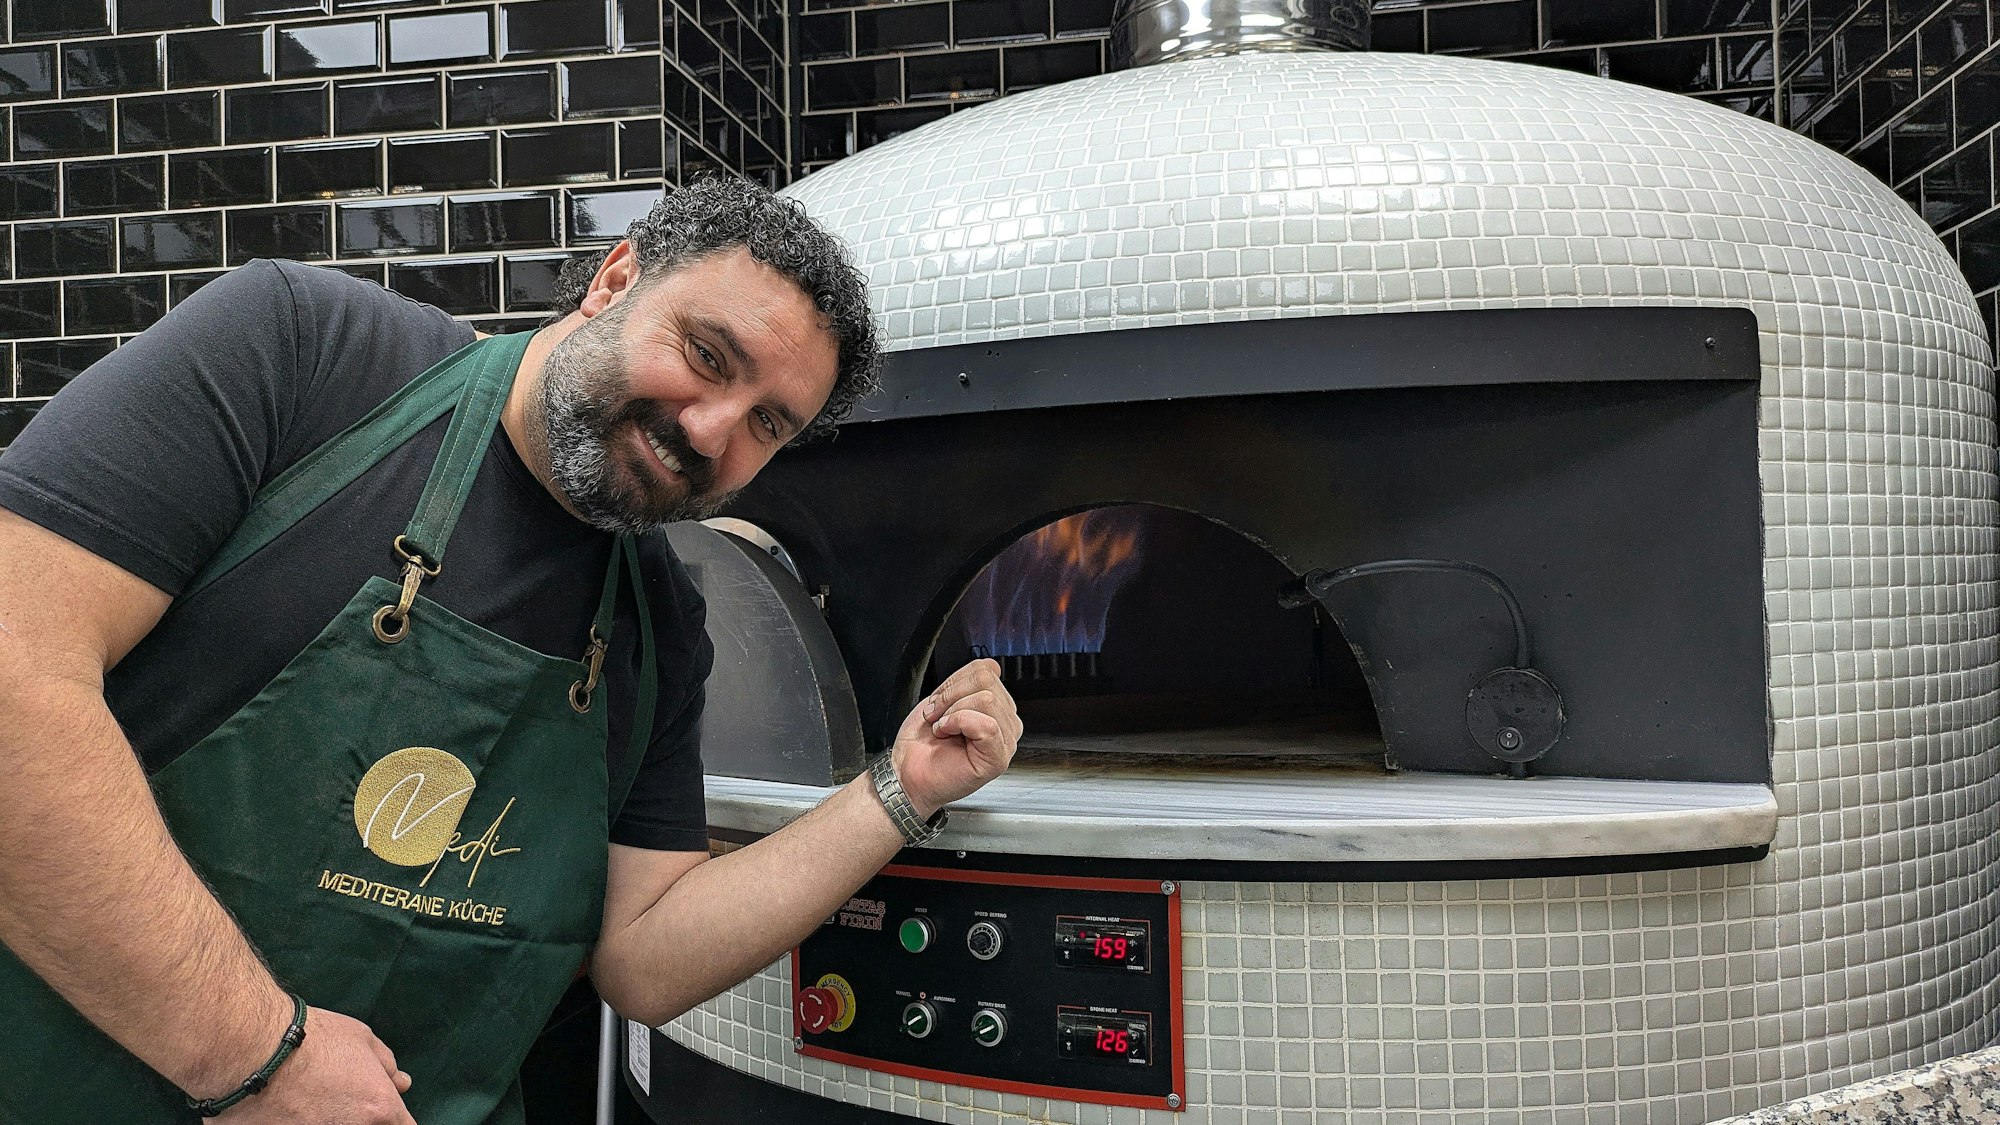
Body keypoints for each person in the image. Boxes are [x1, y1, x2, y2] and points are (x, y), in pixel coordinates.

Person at [0, 176, 1020, 1124]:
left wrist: (900, 789)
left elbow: (646, 955)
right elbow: (14, 671)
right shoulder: (301, 354)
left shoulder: (659, 621)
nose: (711, 431)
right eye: (707, 356)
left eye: (767, 423)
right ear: (616, 278)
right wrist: (256, 1055)